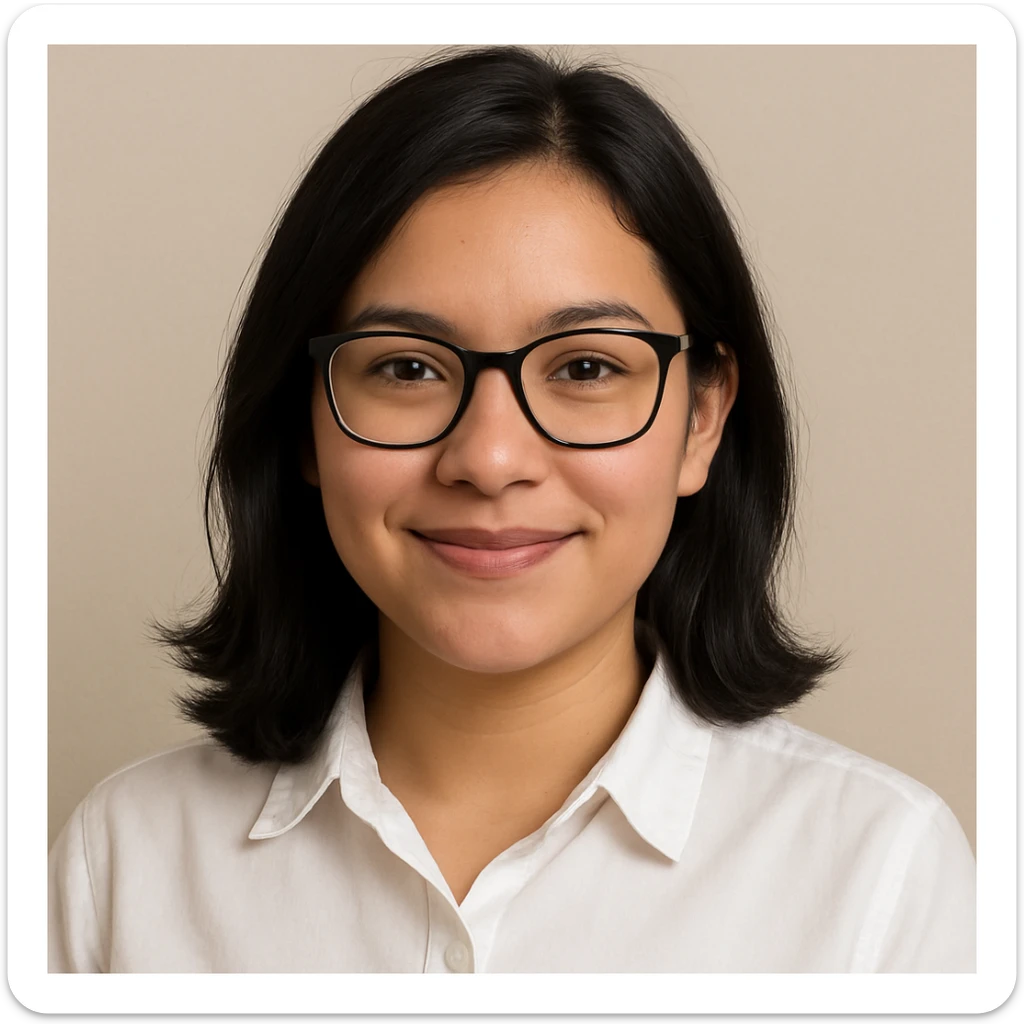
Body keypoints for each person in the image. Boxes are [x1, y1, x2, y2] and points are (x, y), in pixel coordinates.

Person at [48, 44, 975, 973]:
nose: (489, 460)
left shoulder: (877, 878)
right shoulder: (126, 865)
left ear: (702, 417)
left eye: (586, 367)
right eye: (406, 368)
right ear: (304, 425)